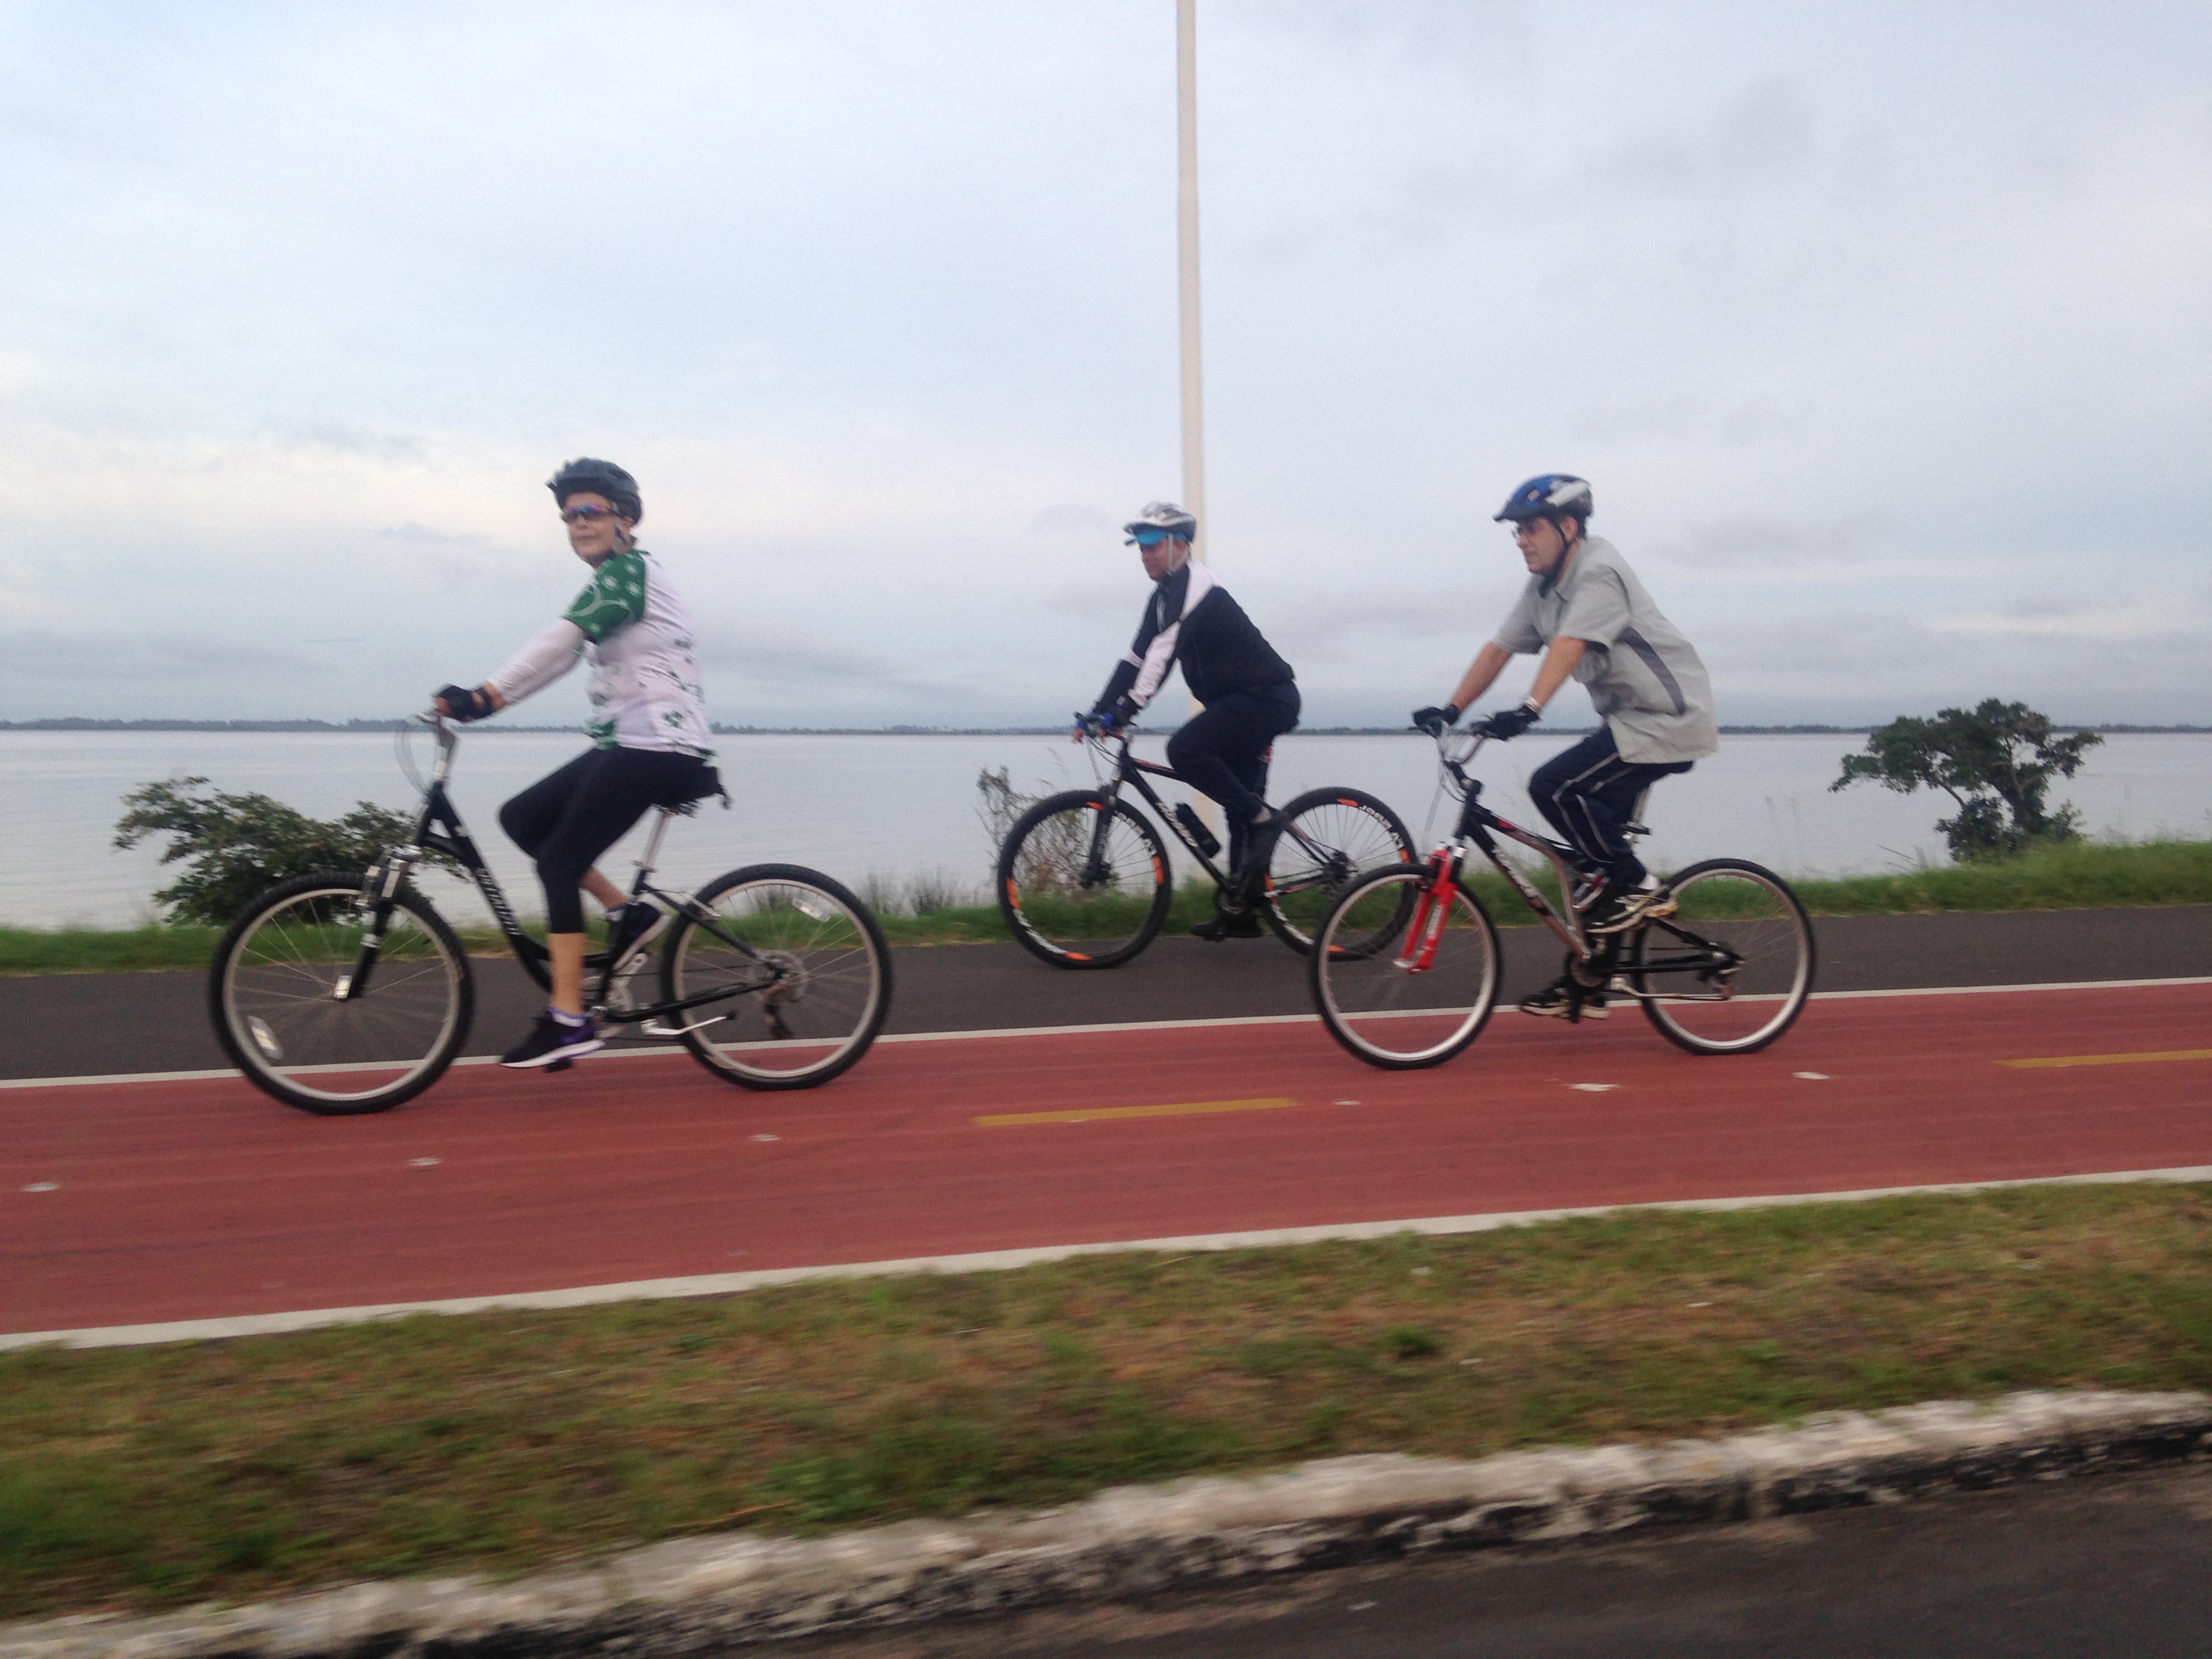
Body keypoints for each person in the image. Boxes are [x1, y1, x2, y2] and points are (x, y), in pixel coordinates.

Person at [434, 458, 715, 1068]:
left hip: (660, 746)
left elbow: (559, 639)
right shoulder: (614, 582)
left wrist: (483, 695)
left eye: (591, 512)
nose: (578, 524)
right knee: (521, 819)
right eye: (569, 516)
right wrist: (490, 703)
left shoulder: (631, 572)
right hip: (631, 744)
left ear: (625, 519)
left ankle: (568, 1021)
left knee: (558, 863)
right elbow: (563, 657)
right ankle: (627, 914)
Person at [1412, 474, 1717, 1017]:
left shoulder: (1598, 571)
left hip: (1670, 719)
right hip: (1629, 723)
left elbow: (1570, 645)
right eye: (1517, 532)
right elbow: (1499, 648)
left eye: (1531, 528)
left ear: (1569, 527)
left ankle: (1644, 888)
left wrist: (1530, 709)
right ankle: (1591, 983)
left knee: (1553, 786)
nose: (1521, 540)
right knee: (1594, 869)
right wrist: (1452, 709)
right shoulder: (1542, 590)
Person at [1084, 501, 1300, 941]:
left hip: (1266, 698)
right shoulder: (1163, 596)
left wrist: (1125, 711)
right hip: (1238, 702)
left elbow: (1161, 658)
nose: (1144, 554)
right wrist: (1098, 708)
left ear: (1180, 545)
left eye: (1152, 544)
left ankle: (1265, 818)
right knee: (1239, 806)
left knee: (1184, 750)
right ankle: (1242, 911)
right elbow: (1136, 656)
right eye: (1139, 546)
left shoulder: (1197, 588)